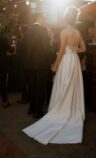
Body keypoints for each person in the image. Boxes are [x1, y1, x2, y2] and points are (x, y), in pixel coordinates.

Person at [23, 7, 86, 145]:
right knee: (72, 85)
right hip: (74, 60)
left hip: (66, 60)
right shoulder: (77, 32)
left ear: (66, 18)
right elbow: (84, 49)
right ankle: (73, 108)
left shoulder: (64, 32)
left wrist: (55, 64)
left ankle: (61, 109)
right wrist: (74, 50)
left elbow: (62, 49)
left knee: (63, 84)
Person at [23, 13, 52, 118]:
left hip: (30, 64)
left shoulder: (27, 31)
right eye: (44, 18)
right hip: (41, 63)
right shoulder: (43, 30)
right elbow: (46, 48)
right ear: (39, 18)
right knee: (40, 87)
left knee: (33, 87)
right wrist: (51, 60)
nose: (45, 21)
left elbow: (24, 49)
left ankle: (32, 108)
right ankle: (38, 111)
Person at [0, 25, 12, 107]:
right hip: (2, 63)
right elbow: (10, 50)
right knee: (2, 82)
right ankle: (5, 101)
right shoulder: (3, 39)